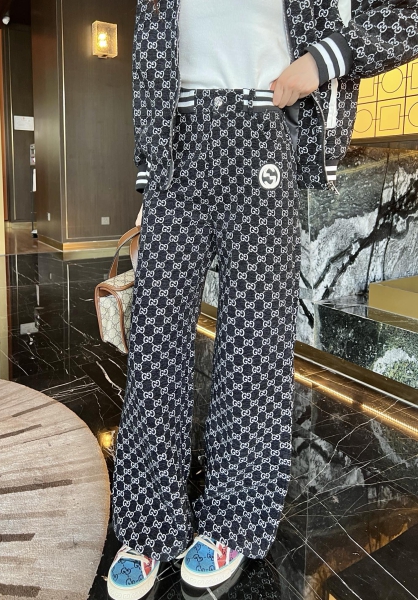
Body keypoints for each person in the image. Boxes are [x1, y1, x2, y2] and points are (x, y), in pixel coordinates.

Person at [107, 1, 418, 598]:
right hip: (179, 139)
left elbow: (404, 18)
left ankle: (231, 519)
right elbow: (153, 55)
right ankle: (148, 523)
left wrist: (322, 62)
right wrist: (151, 169)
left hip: (262, 132)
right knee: (155, 337)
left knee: (254, 342)